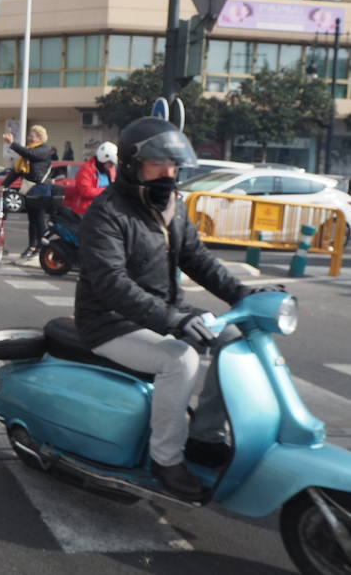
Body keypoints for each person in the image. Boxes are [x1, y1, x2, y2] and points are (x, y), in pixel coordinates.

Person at [75, 116, 263, 501]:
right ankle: (166, 460)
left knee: (233, 340)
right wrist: (176, 320)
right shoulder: (107, 213)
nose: (168, 173)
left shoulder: (173, 206)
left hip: (161, 312)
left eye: (173, 165)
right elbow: (113, 285)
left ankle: (204, 438)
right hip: (110, 322)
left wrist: (243, 294)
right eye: (158, 164)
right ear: (131, 166)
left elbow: (197, 258)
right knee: (180, 360)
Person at [1, 126, 53, 260]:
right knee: (32, 220)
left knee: (40, 220)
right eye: (30, 135)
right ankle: (32, 246)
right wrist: (4, 185)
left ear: (40, 138)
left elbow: (30, 155)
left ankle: (43, 249)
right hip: (29, 189)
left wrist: (12, 144)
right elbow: (17, 171)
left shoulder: (44, 150)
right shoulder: (29, 151)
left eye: (32, 136)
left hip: (41, 189)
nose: (29, 138)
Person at [63, 141, 118, 216]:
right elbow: (86, 191)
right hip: (87, 211)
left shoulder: (110, 171)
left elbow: (115, 185)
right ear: (103, 159)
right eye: (110, 163)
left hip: (105, 211)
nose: (112, 166)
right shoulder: (86, 170)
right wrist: (108, 190)